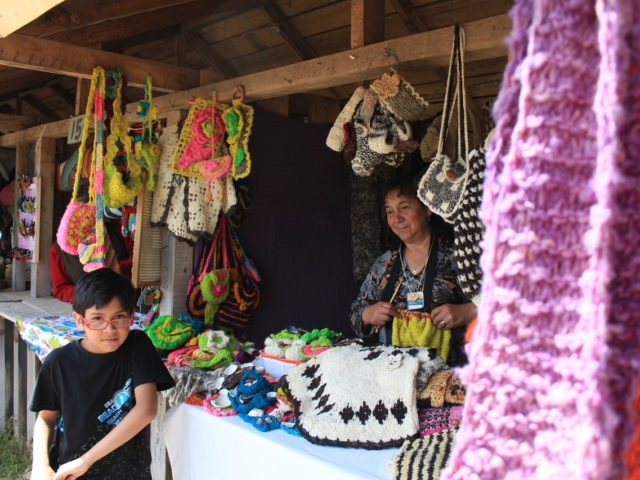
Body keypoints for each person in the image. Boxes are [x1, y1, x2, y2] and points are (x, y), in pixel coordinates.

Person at [29, 268, 175, 480]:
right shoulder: (58, 362)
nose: (110, 329)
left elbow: (146, 409)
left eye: (119, 317)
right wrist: (40, 465)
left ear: (132, 315)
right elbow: (45, 418)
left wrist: (86, 460)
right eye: (97, 319)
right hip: (71, 473)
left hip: (128, 473)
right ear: (79, 321)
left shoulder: (137, 346)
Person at [350, 178, 477, 366]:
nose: (397, 218)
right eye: (390, 211)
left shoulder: (459, 255)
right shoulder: (385, 263)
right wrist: (368, 314)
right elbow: (356, 313)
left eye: (404, 207)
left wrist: (469, 311)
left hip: (454, 375)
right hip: (396, 373)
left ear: (427, 209)